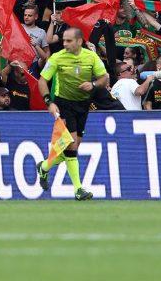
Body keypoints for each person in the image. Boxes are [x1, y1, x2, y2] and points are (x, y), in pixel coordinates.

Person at [35, 27, 107, 200]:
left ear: (79, 41)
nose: (64, 44)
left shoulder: (91, 57)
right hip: (64, 104)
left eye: (69, 41)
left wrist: (93, 85)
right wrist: (48, 102)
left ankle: (44, 166)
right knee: (72, 145)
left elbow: (105, 78)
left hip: (83, 105)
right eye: (64, 40)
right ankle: (78, 189)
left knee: (71, 148)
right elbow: (42, 80)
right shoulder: (57, 57)